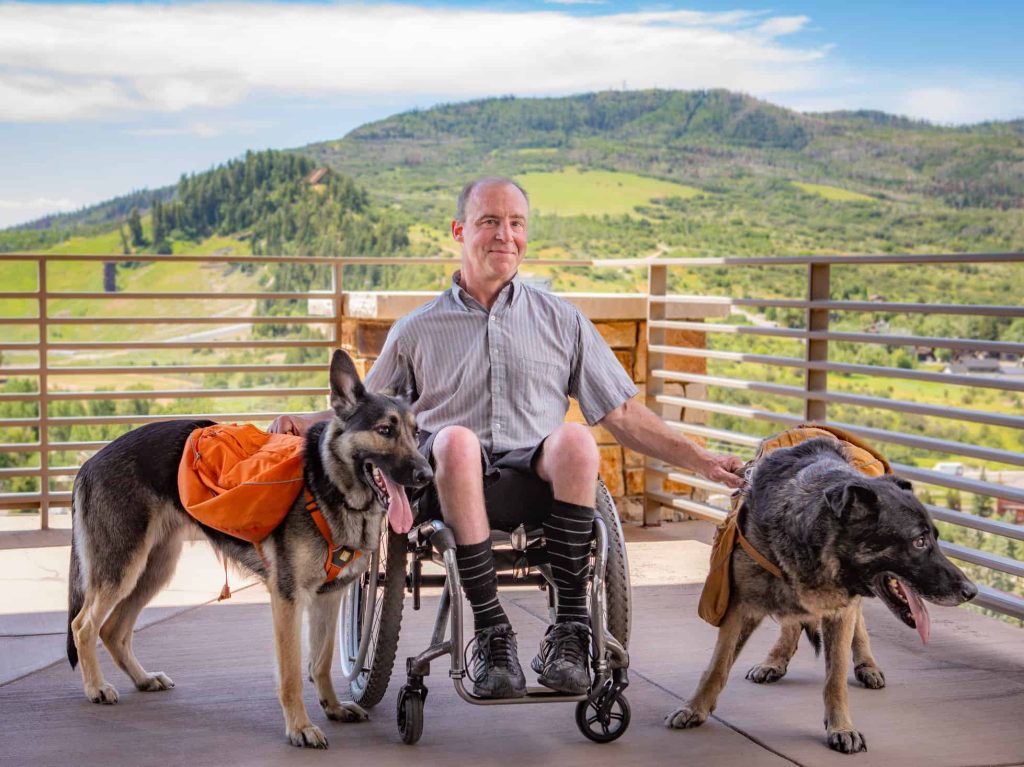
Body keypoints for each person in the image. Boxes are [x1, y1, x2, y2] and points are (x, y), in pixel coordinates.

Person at [271, 176, 744, 699]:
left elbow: (625, 413)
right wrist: (305, 422)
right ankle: (493, 632)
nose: (505, 235)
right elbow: (363, 413)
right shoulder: (417, 329)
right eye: (490, 221)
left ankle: (569, 628)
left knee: (576, 440)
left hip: (535, 484)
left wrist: (702, 462)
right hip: (446, 484)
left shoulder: (561, 320)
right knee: (454, 440)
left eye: (516, 223)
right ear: (459, 231)